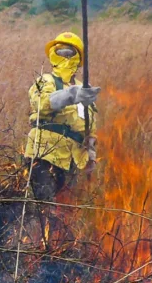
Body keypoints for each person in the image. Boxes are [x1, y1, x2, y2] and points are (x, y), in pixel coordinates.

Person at [24, 31, 99, 201]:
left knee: (64, 212)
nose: (65, 55)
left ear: (78, 58)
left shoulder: (84, 87)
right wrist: (72, 95)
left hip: (73, 160)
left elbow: (90, 128)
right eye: (60, 51)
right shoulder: (46, 80)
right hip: (45, 154)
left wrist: (91, 155)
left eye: (70, 52)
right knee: (46, 208)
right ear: (53, 53)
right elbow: (42, 104)